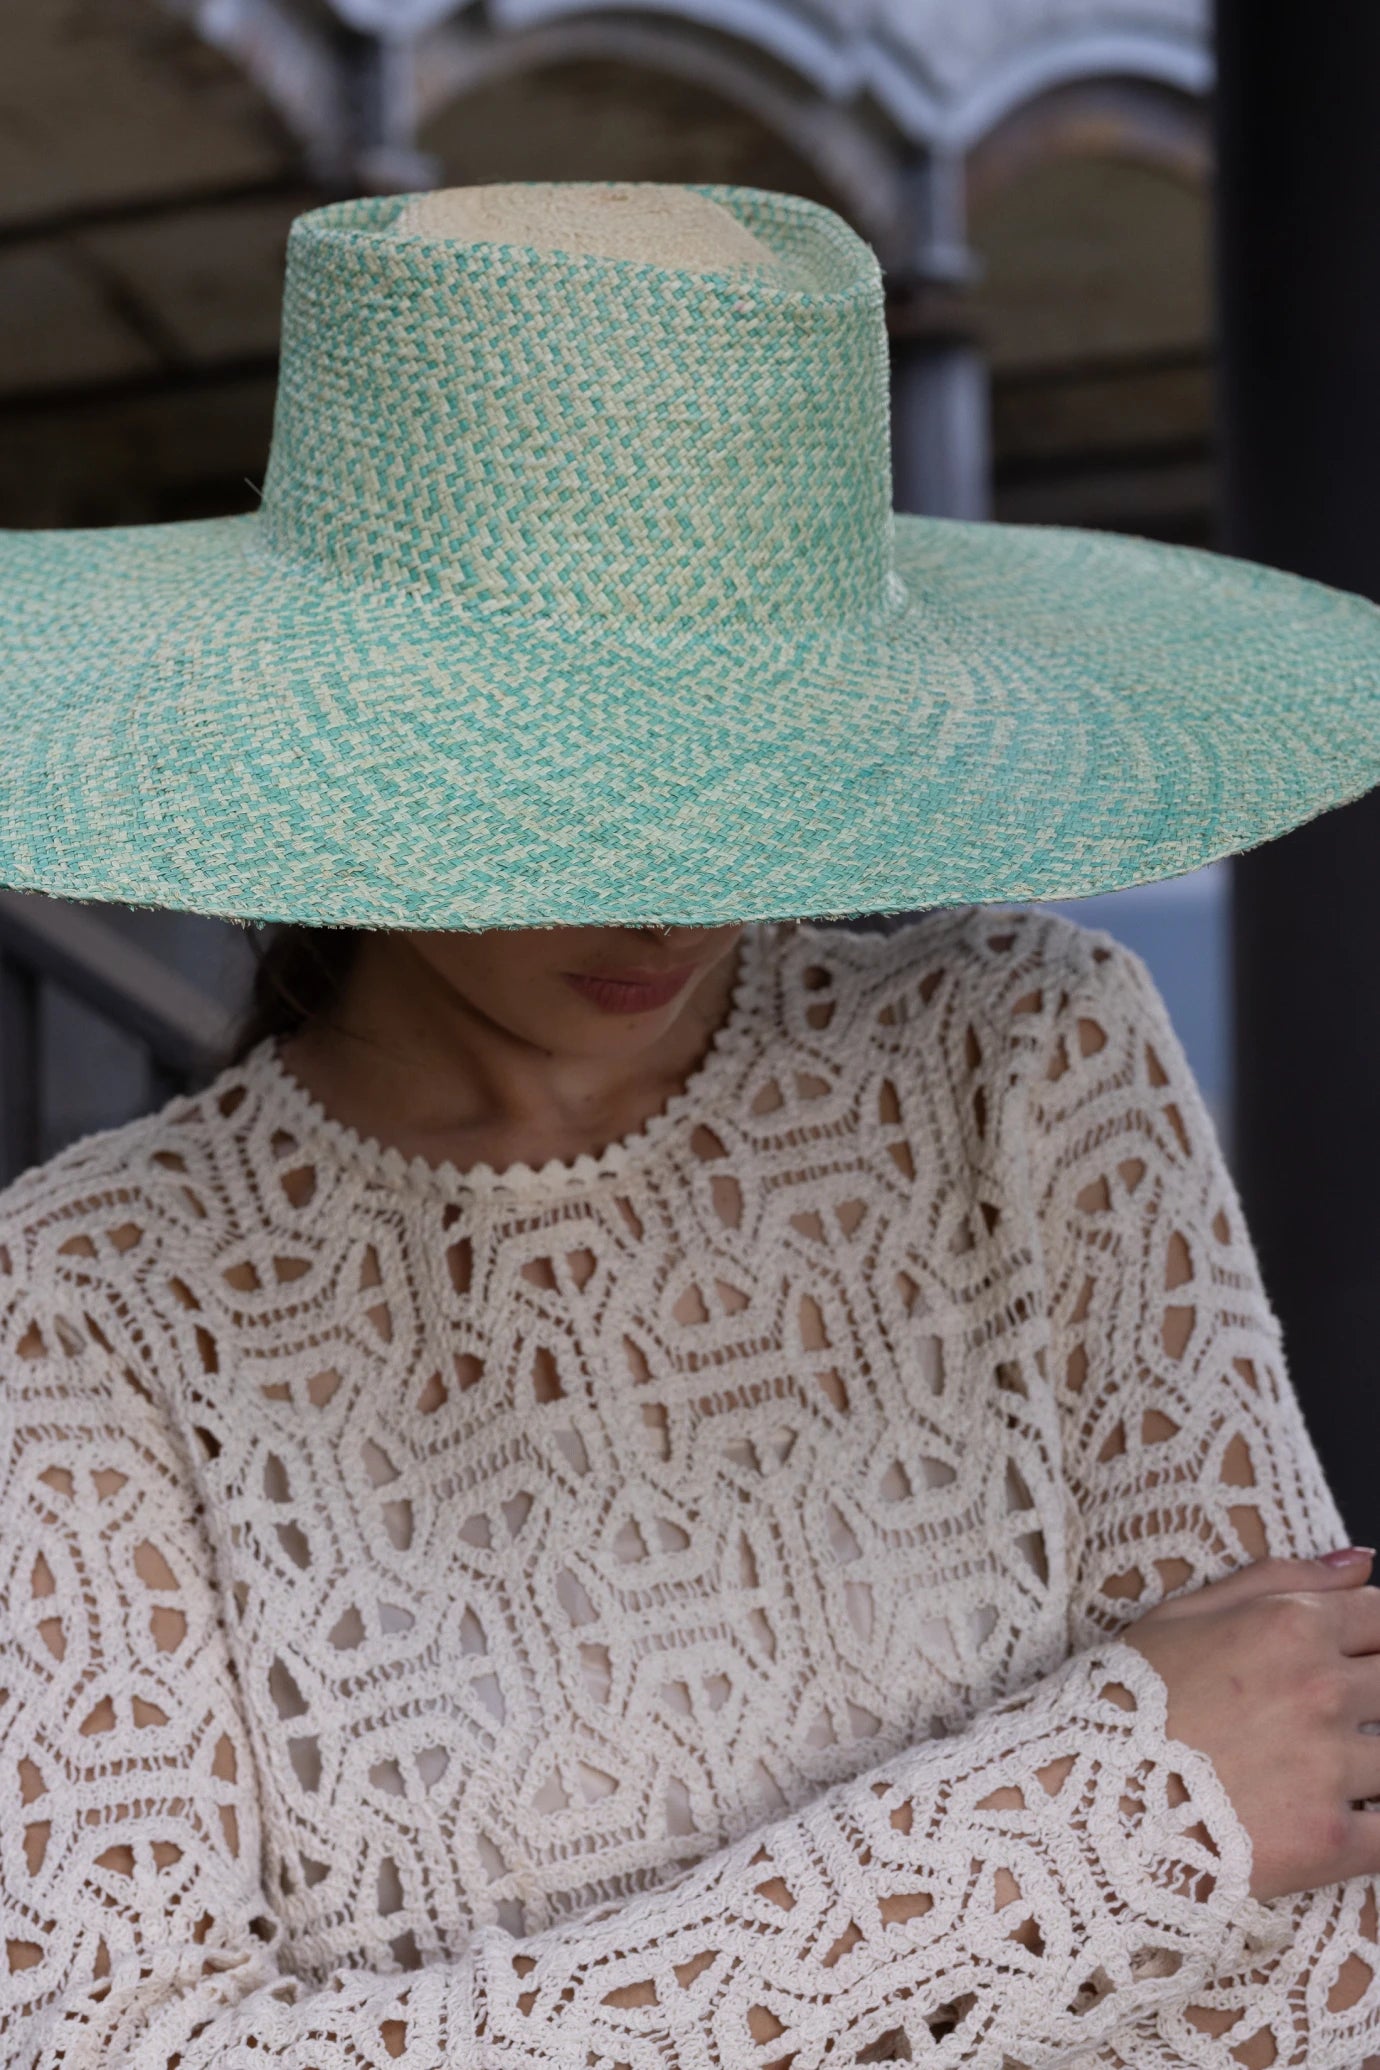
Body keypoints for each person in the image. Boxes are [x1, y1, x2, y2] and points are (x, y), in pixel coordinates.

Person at [3, 179, 1380, 2070]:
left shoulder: (1026, 1059)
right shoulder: (92, 1300)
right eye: (576, 777)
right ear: (337, 729)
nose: (670, 889)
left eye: (746, 762)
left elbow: (1314, 1928)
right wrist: (1099, 1815)